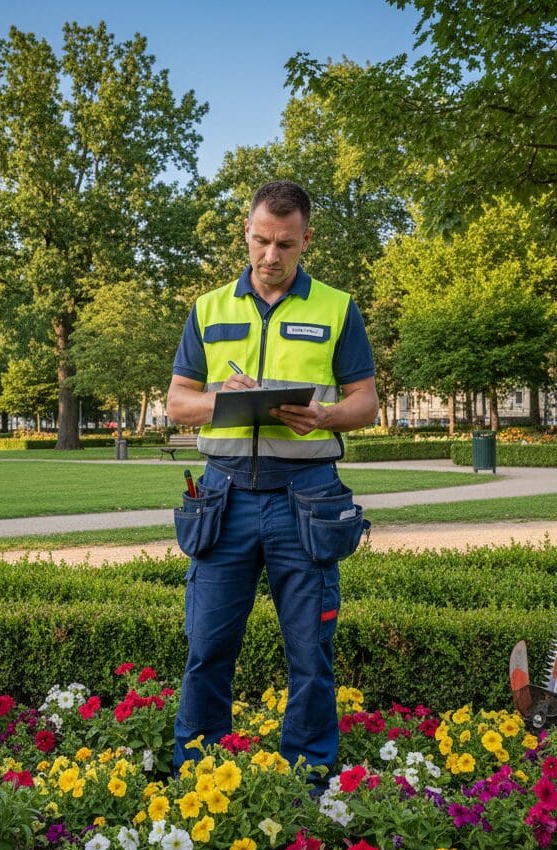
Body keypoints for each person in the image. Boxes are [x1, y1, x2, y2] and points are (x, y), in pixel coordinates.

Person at [166, 180, 379, 783]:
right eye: (261, 240)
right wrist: (220, 399)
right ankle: (198, 775)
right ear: (247, 232)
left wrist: (325, 416)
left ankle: (308, 779)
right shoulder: (208, 308)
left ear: (306, 240)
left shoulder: (336, 308)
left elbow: (366, 403)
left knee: (311, 654)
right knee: (208, 647)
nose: (270, 255)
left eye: (285, 244)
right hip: (223, 497)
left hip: (306, 498)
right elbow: (178, 403)